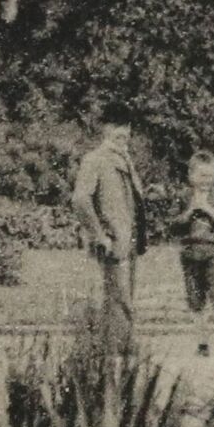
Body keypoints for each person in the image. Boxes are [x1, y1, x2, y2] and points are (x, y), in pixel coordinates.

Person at [69, 108, 146, 349]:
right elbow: (80, 199)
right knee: (111, 298)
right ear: (104, 129)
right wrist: (99, 234)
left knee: (123, 298)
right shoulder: (95, 159)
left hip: (127, 241)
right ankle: (110, 351)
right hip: (110, 241)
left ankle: (121, 350)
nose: (122, 132)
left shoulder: (124, 159)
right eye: (115, 126)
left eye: (126, 126)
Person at [176, 147, 214, 356]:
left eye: (210, 175)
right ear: (191, 175)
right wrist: (189, 212)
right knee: (195, 301)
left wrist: (210, 211)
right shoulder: (184, 196)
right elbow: (173, 226)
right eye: (201, 175)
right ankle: (202, 344)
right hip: (190, 255)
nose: (206, 180)